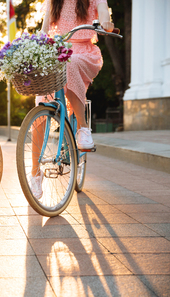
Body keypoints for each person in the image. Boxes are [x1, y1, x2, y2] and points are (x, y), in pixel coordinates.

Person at [30, 0, 114, 199]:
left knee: (70, 62)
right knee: (42, 105)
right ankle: (34, 173)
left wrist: (106, 23)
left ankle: (82, 128)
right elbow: (44, 30)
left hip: (84, 52)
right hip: (58, 52)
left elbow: (104, 14)